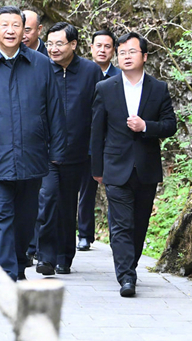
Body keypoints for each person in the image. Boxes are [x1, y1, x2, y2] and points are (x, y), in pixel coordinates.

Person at [0, 6, 66, 281]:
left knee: (26, 217)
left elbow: (55, 110)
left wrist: (57, 150)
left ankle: (19, 263)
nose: (10, 31)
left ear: (25, 30)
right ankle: (5, 274)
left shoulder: (41, 64)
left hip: (33, 153)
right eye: (4, 25)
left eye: (16, 25)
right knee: (1, 215)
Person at [90, 32, 177, 297]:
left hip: (146, 168)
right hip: (115, 167)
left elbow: (170, 126)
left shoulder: (158, 88)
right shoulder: (106, 88)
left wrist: (145, 126)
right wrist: (97, 169)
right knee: (121, 225)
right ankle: (126, 276)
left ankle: (131, 265)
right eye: (122, 53)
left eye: (132, 52)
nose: (126, 57)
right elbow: (97, 131)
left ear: (145, 56)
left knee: (139, 225)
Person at [33, 23, 101, 276]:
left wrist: (96, 149)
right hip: (45, 150)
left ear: (73, 44)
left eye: (59, 44)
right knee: (47, 198)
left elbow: (98, 111)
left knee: (67, 204)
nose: (53, 49)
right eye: (50, 43)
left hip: (76, 151)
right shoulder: (40, 67)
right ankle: (45, 256)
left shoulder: (91, 71)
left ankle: (64, 257)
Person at [77, 29, 120, 251]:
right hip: (85, 141)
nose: (102, 50)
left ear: (114, 51)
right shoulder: (82, 72)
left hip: (112, 142)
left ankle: (117, 236)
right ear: (91, 47)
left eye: (107, 46)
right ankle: (84, 234)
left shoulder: (120, 77)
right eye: (99, 46)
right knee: (86, 189)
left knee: (115, 191)